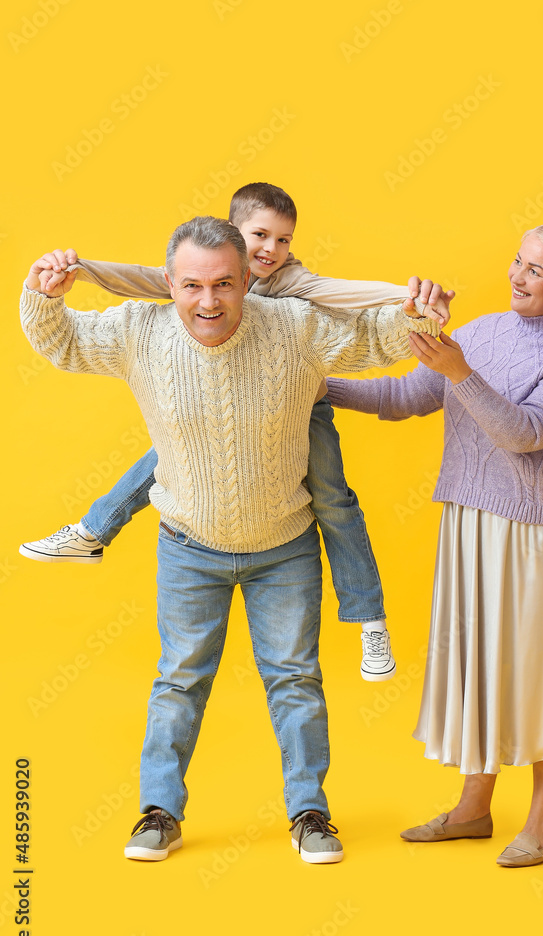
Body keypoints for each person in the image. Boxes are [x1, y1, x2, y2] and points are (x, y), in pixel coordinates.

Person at [20, 215, 443, 864]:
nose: (208, 301)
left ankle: (310, 816)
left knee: (296, 680)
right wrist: (44, 293)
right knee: (179, 681)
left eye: (223, 284)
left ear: (248, 279)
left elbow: (369, 342)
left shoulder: (293, 328)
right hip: (189, 546)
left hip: (285, 547)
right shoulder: (140, 331)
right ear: (170, 283)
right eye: (191, 286)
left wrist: (415, 315)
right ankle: (158, 813)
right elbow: (62, 342)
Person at [18, 182, 453, 683]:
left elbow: (354, 310)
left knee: (334, 503)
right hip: (221, 442)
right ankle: (93, 531)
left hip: (302, 411)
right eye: (260, 236)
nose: (271, 249)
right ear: (232, 237)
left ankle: (369, 620)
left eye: (283, 240)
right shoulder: (203, 274)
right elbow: (138, 282)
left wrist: (411, 306)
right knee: (170, 456)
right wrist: (74, 273)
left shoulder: (294, 287)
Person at [326, 224, 543, 868]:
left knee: (542, 674)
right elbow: (402, 398)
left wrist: (459, 370)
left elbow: (524, 433)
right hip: (469, 524)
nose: (517, 275)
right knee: (479, 667)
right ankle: (473, 809)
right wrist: (319, 386)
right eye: (518, 260)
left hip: (535, 532)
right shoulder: (481, 330)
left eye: (536, 269)